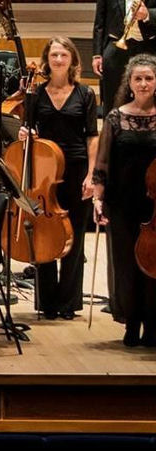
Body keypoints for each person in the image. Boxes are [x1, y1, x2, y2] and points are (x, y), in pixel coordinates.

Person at [19, 37, 98, 319]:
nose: (59, 60)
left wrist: (91, 175)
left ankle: (68, 303)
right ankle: (47, 302)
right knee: (44, 234)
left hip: (76, 170)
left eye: (63, 55)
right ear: (46, 60)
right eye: (54, 55)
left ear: (73, 60)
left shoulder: (85, 94)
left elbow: (92, 136)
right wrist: (24, 133)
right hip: (45, 173)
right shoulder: (36, 93)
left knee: (73, 238)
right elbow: (27, 128)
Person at [90, 55, 156, 347]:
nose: (143, 83)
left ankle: (154, 325)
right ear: (129, 83)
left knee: (154, 266)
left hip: (155, 206)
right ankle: (132, 323)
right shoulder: (116, 117)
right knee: (126, 263)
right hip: (123, 202)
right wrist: (98, 198)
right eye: (138, 78)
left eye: (149, 78)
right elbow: (102, 163)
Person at [92, 0, 156, 115]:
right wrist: (97, 53)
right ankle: (112, 139)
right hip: (117, 44)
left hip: (150, 45)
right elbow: (100, 16)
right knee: (112, 99)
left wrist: (148, 15)